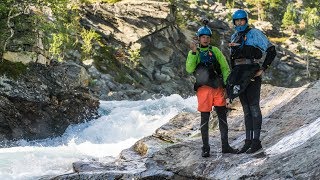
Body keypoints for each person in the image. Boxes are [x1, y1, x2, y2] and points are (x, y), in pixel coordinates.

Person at [186, 20, 238, 157]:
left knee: (222, 117)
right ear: (198, 38)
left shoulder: (215, 51)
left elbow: (225, 68)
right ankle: (205, 147)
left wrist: (227, 86)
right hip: (203, 90)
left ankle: (225, 146)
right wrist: (193, 52)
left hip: (217, 88)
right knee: (204, 118)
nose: (205, 39)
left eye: (208, 37)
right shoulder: (194, 53)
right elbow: (189, 68)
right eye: (203, 37)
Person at [228, 9, 276, 154]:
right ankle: (248, 142)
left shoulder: (254, 33)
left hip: (252, 71)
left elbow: (271, 50)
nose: (239, 23)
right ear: (234, 22)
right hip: (239, 73)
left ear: (246, 20)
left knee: (254, 106)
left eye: (242, 20)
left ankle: (256, 142)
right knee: (246, 109)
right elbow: (232, 58)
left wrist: (263, 68)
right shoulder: (234, 36)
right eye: (237, 21)